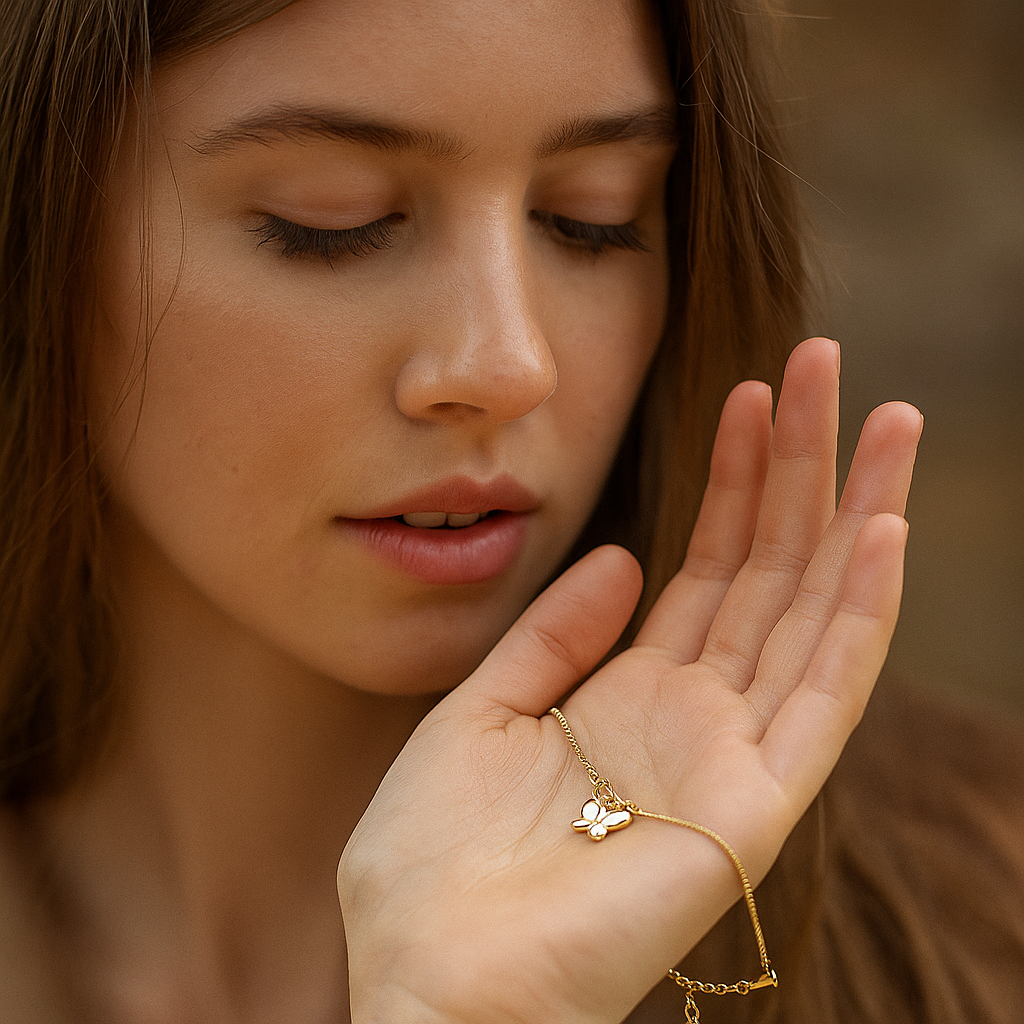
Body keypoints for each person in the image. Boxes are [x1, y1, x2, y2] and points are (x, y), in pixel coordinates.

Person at [0, 1, 1020, 1022]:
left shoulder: (989, 904)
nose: (508, 363)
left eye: (594, 217)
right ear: (38, 229)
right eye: (331, 222)